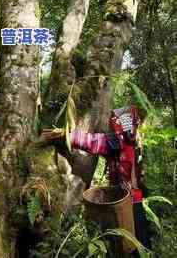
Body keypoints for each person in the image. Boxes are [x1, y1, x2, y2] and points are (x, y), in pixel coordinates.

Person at [39, 105, 150, 254]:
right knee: (136, 240)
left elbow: (94, 142)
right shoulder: (129, 141)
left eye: (115, 122)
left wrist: (68, 136)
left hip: (127, 201)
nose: (112, 126)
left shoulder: (119, 141)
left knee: (132, 243)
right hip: (131, 198)